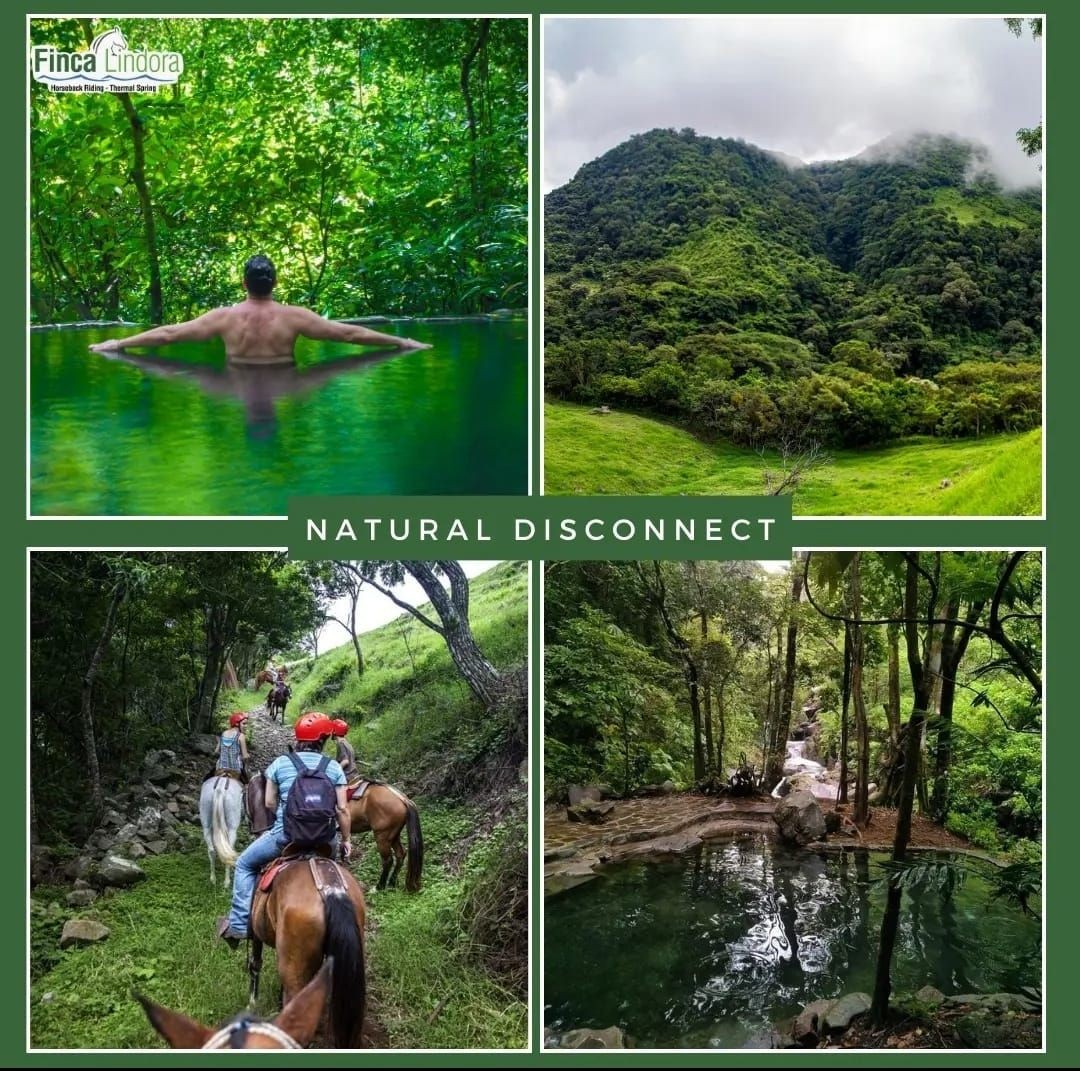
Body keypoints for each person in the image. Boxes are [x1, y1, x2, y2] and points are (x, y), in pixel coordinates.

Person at [89, 254, 431, 365]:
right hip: (284, 377)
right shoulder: (295, 316)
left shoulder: (224, 317)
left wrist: (118, 344)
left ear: (244, 284)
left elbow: (168, 336)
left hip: (238, 378)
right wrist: (402, 343)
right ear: (275, 283)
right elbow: (350, 335)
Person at [216, 711, 350, 947]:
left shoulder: (280, 763)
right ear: (323, 740)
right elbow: (342, 810)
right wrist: (346, 840)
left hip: (286, 837)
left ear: (298, 738)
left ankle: (238, 925)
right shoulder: (333, 768)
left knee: (244, 864)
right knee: (334, 869)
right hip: (325, 841)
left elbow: (268, 803)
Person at [205, 711, 250, 784]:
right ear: (236, 724)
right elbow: (245, 757)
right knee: (247, 784)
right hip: (236, 769)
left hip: (221, 767)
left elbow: (216, 751)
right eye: (244, 724)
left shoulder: (223, 733)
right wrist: (247, 756)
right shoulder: (241, 736)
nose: (245, 726)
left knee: (206, 780)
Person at [330, 719, 359, 786]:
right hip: (354, 774)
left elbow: (345, 761)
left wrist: (334, 771)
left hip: (347, 776)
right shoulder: (347, 743)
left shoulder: (341, 743)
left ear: (334, 731)